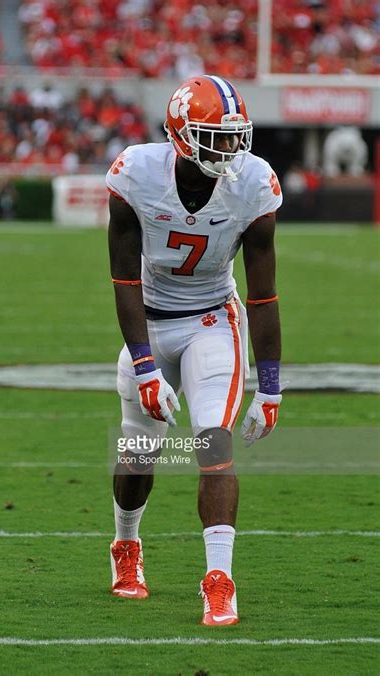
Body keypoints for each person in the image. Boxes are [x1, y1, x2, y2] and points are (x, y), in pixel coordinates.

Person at [106, 75, 283, 626]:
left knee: (213, 444)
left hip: (214, 322)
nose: (230, 148)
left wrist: (272, 385)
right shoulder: (136, 173)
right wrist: (145, 368)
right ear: (181, 134)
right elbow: (125, 282)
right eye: (216, 136)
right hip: (151, 322)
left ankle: (219, 580)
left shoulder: (252, 183)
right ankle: (126, 546)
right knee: (139, 451)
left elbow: (264, 294)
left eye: (235, 136)